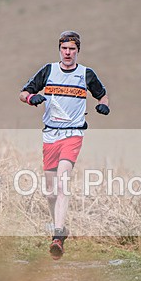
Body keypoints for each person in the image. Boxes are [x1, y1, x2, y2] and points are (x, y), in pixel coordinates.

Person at [18, 30, 110, 259]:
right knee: (50, 193)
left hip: (73, 134)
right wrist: (31, 98)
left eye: (72, 49)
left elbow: (103, 95)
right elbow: (23, 93)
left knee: (62, 184)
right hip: (50, 135)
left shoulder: (86, 74)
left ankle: (57, 236)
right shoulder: (48, 71)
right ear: (59, 50)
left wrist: (104, 105)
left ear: (78, 51)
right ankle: (59, 227)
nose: (68, 53)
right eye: (64, 49)